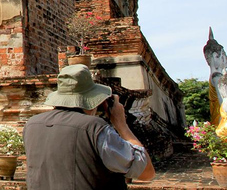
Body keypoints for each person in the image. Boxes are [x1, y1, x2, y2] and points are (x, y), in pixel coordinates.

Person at [24, 64, 155, 189]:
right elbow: (146, 172)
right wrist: (122, 125)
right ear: (92, 99)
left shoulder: (31, 125)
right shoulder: (94, 128)